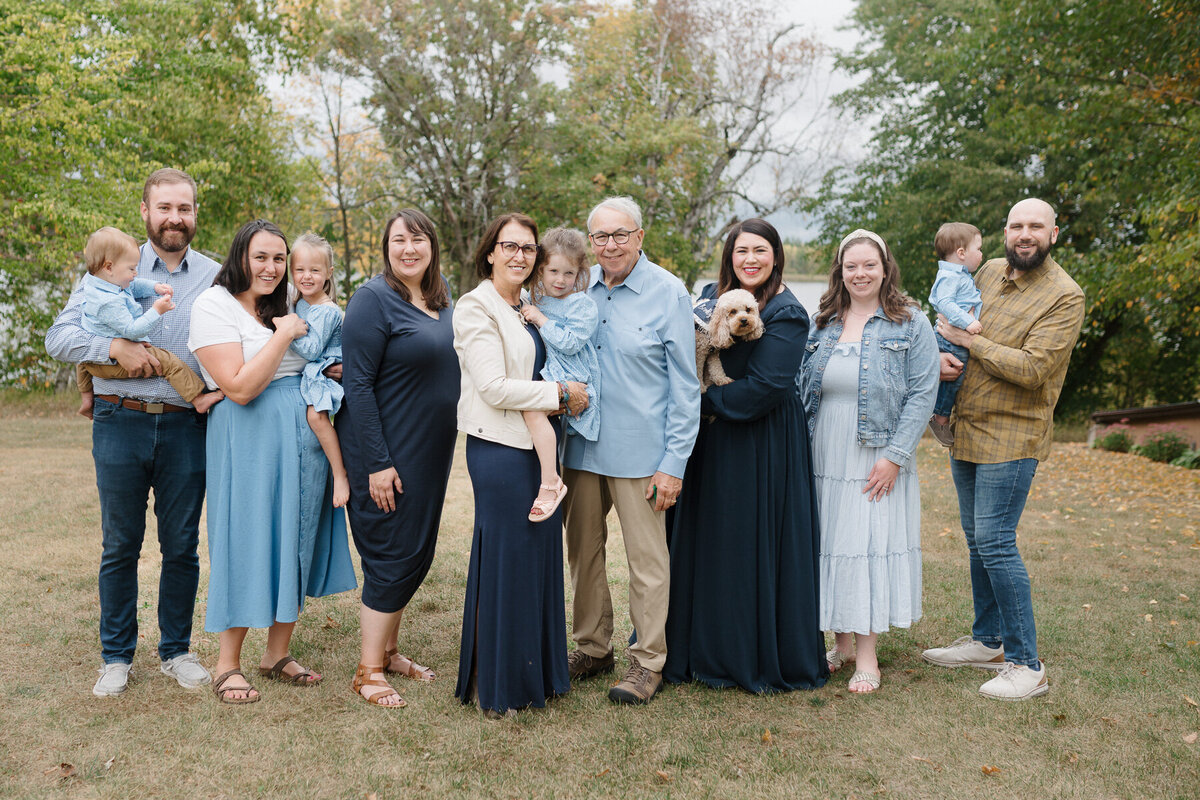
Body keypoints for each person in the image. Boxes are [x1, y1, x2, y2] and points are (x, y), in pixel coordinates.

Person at [45, 168, 220, 698]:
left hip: (188, 427)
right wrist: (112, 349)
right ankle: (116, 657)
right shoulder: (109, 267)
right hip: (118, 419)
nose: (175, 217)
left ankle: (176, 651)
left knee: (182, 546)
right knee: (120, 545)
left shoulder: (215, 275)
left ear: (194, 213)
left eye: (184, 208)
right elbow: (60, 336)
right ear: (145, 211)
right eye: (164, 207)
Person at [921, 198, 1085, 701]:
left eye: (1036, 226)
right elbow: (947, 323)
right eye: (1017, 225)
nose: (1025, 234)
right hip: (966, 429)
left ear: (1053, 234)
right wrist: (943, 355)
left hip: (1013, 437)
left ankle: (1025, 664)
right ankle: (988, 642)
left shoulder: (1064, 296)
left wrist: (969, 344)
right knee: (976, 541)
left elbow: (1034, 369)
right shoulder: (987, 270)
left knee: (995, 541)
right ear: (1006, 231)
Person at [189, 219, 357, 704]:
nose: (271, 267)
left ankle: (276, 653)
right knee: (245, 536)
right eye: (261, 257)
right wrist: (283, 336)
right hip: (249, 435)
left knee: (295, 535)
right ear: (240, 255)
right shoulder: (214, 304)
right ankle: (227, 663)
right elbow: (238, 387)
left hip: (302, 436)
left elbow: (318, 352)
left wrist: (329, 363)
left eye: (279, 259)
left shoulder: (287, 304)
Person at [664, 218, 827, 693]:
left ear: (776, 255)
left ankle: (741, 653)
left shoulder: (787, 312)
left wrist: (699, 403)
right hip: (709, 442)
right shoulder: (708, 297)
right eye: (741, 251)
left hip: (760, 441)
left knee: (743, 541)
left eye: (760, 250)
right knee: (706, 539)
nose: (750, 259)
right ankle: (690, 649)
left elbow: (767, 388)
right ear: (728, 257)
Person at [561, 196, 700, 705]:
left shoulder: (668, 292)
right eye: (601, 236)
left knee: (647, 562)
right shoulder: (580, 289)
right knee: (584, 556)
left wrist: (673, 463)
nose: (610, 245)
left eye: (621, 234)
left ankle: (647, 662)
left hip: (644, 456)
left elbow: (686, 387)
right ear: (590, 241)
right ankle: (593, 648)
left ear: (640, 236)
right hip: (580, 449)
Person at [452, 212, 589, 718]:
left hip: (537, 447)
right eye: (509, 246)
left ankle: (542, 674)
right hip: (500, 451)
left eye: (528, 248)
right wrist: (559, 393)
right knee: (508, 562)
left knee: (537, 557)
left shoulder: (525, 305)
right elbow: (492, 386)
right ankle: (502, 687)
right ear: (491, 252)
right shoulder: (475, 307)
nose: (519, 256)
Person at [799, 229, 939, 694]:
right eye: (850, 266)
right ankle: (839, 644)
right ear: (840, 271)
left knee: (867, 545)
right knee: (831, 544)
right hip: (823, 447)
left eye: (869, 265)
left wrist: (895, 456)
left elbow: (923, 392)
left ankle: (867, 657)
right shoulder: (822, 322)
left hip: (876, 450)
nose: (860, 274)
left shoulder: (910, 322)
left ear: (885, 268)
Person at [337, 209, 460, 708]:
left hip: (431, 451)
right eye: (398, 240)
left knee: (416, 549)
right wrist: (377, 464)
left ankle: (388, 652)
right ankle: (367, 670)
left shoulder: (441, 295)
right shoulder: (371, 299)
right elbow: (358, 385)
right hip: (387, 451)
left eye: (418, 239)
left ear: (432, 245)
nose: (408, 248)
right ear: (385, 248)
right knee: (391, 553)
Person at [73, 226, 223, 419]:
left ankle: (86, 399)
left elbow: (134, 286)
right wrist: (157, 310)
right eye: (131, 269)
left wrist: (155, 287)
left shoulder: (100, 284)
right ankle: (197, 399)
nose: (135, 273)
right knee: (168, 362)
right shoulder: (110, 302)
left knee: (83, 361)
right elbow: (132, 331)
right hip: (117, 361)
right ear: (109, 267)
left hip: (92, 361)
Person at [518, 226, 600, 522]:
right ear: (540, 270)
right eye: (553, 271)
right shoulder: (532, 297)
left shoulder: (582, 305)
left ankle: (551, 482)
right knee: (533, 414)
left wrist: (541, 320)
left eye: (569, 273)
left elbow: (570, 343)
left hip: (572, 373)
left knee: (532, 410)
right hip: (550, 371)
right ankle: (548, 477)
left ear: (579, 273)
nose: (560, 280)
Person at [288, 233, 350, 507]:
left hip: (326, 367)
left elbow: (313, 349)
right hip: (312, 369)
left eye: (315, 270)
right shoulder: (300, 300)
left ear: (328, 273)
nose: (307, 276)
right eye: (300, 270)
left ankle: (339, 473)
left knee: (316, 417)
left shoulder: (327, 310)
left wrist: (286, 329)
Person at [927, 222, 984, 446]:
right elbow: (944, 303)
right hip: (950, 338)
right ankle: (939, 417)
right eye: (978, 249)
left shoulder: (960, 275)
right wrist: (968, 322)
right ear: (961, 253)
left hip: (956, 335)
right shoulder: (950, 277)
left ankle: (942, 415)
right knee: (953, 376)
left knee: (957, 376)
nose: (981, 254)